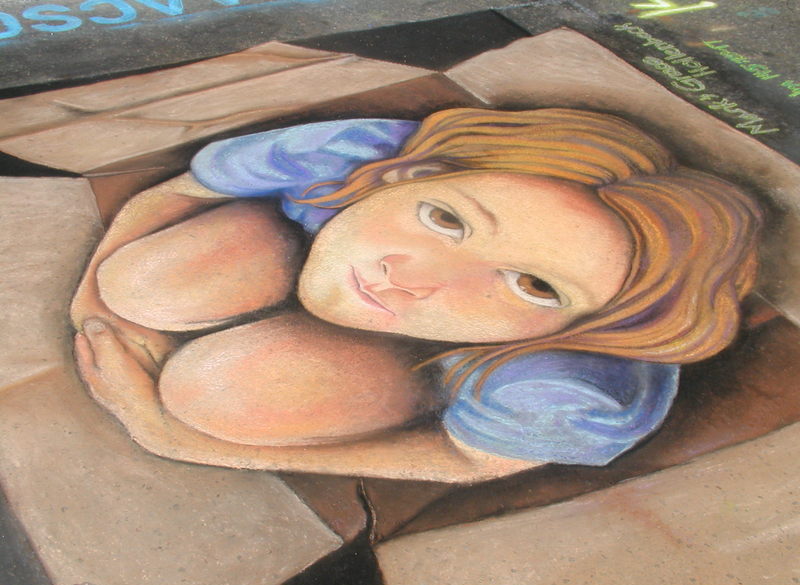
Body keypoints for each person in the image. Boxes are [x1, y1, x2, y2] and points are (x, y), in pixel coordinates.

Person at [71, 108, 762, 480]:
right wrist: (92, 311)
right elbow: (182, 191)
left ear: (587, 327)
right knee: (137, 282)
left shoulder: (566, 384)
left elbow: (467, 460)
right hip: (307, 241)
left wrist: (178, 441)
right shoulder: (352, 157)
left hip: (437, 358)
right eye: (446, 219)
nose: (414, 276)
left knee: (215, 397)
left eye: (533, 286)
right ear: (408, 177)